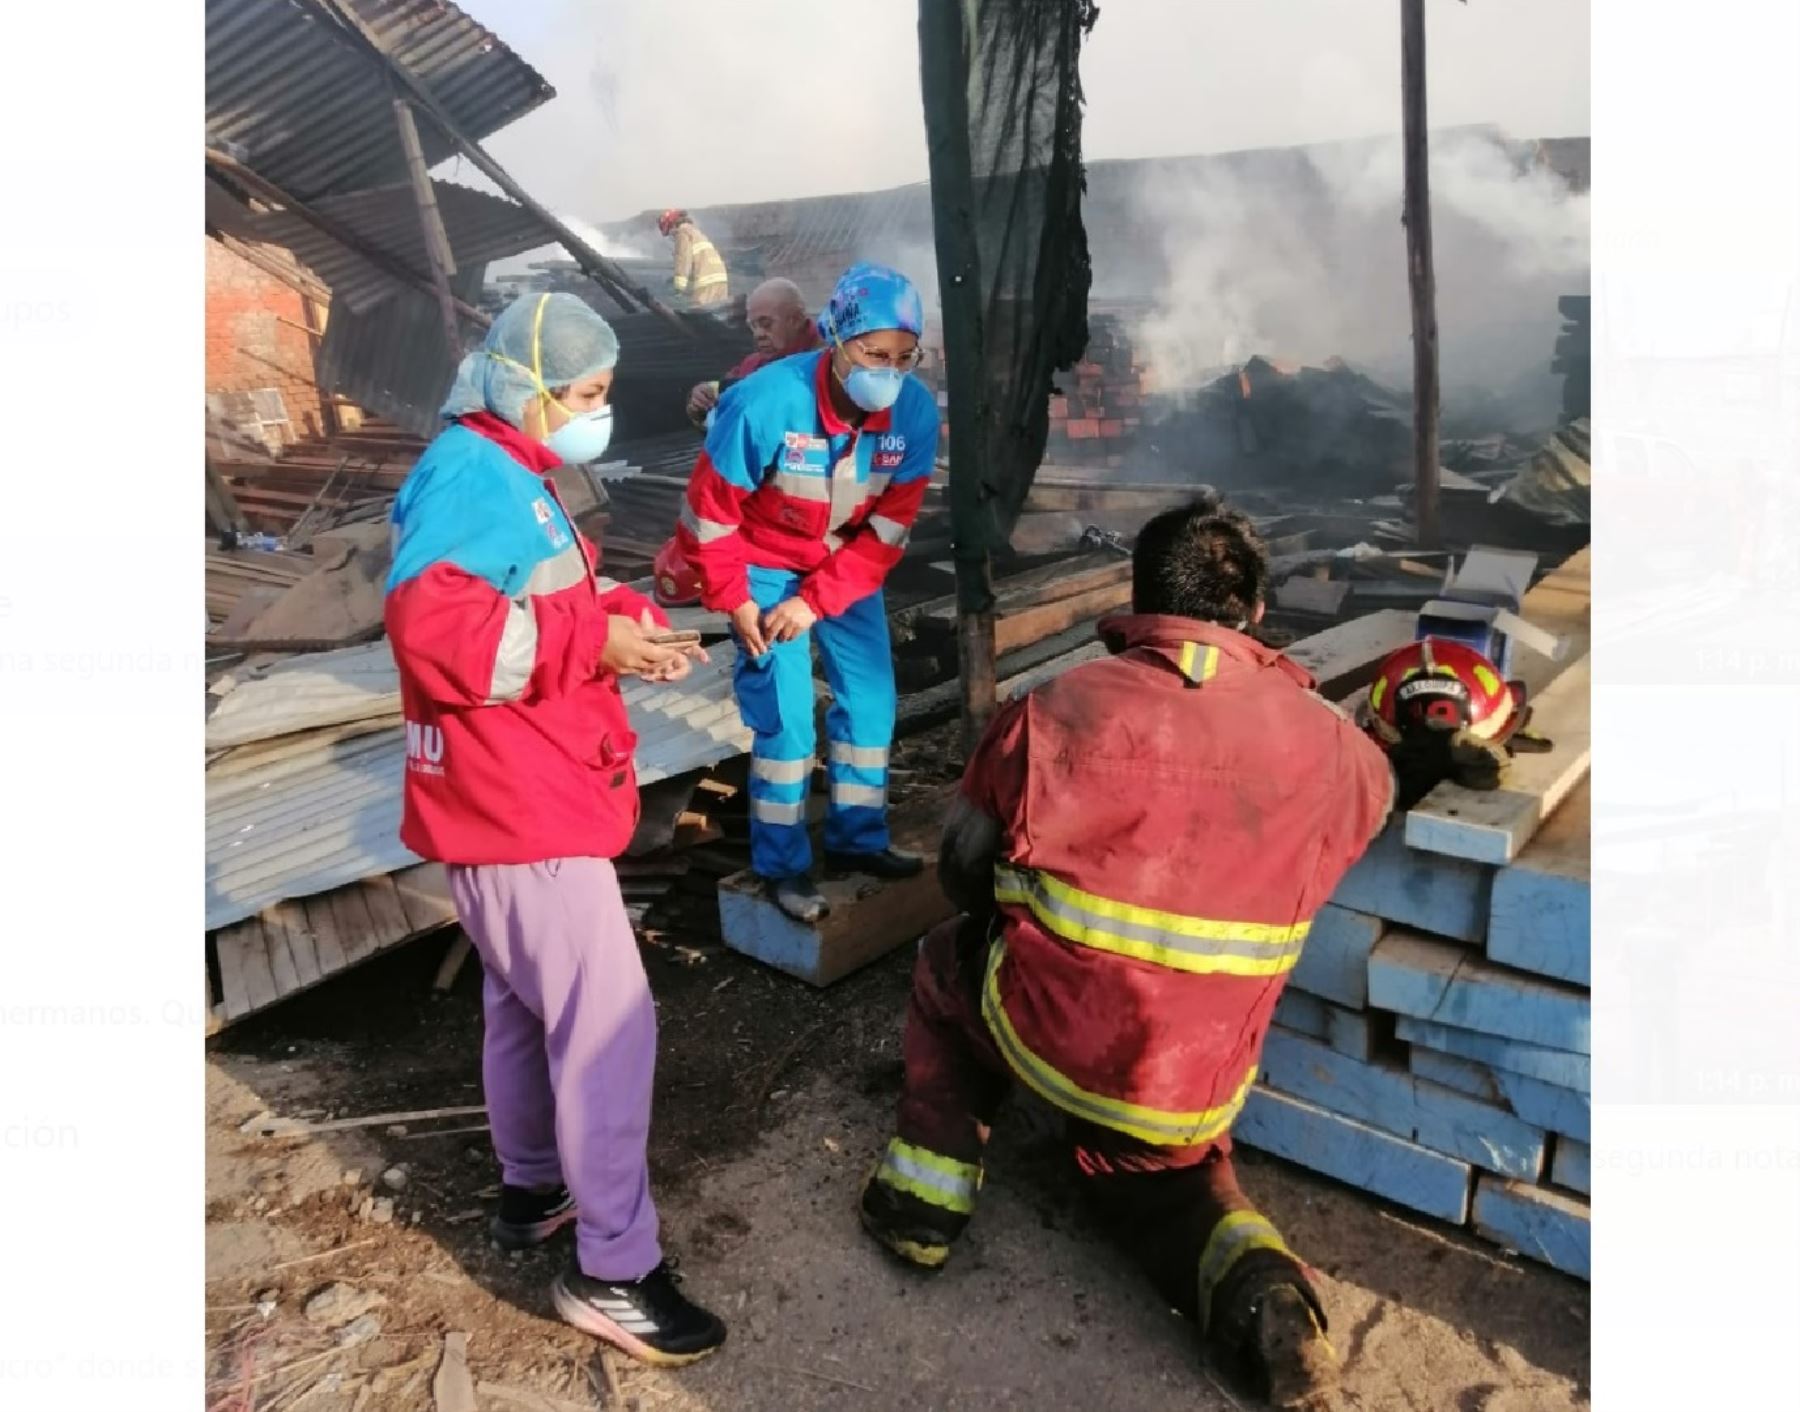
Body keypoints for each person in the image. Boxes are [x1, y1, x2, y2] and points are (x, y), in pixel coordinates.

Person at [859, 496, 1396, 1410]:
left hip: (1038, 1032)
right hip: (1185, 1084)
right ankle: (1259, 1286)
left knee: (948, 962)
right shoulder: (1340, 754)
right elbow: (1366, 812)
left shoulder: (1051, 710)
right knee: (1162, 1179)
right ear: (1258, 612)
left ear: (1139, 596)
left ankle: (922, 1207)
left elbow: (961, 871)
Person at [383, 292, 727, 1368]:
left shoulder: (504, 467)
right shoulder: (473, 476)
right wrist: (595, 641)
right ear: (527, 387)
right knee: (609, 1024)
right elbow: (437, 636)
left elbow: (543, 597)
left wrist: (626, 623)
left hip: (507, 800)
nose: (597, 413)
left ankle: (534, 1189)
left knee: (526, 1008)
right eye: (583, 395)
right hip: (521, 803)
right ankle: (615, 1267)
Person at [674, 262, 939, 922]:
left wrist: (817, 600)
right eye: (875, 354)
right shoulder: (764, 402)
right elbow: (710, 517)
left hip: (845, 567)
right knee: (788, 723)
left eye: (906, 357)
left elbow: (886, 531)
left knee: (872, 706)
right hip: (761, 566)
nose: (890, 369)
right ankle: (782, 868)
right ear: (836, 340)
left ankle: (857, 841)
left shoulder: (914, 413)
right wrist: (736, 600)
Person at [685, 277, 822, 427]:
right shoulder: (751, 365)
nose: (758, 334)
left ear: (796, 319)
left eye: (766, 324)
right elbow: (719, 404)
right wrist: (700, 403)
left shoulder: (830, 362)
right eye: (753, 326)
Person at [658, 208, 729, 308]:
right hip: (721, 280)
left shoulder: (682, 233)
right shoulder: (696, 233)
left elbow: (683, 260)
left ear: (672, 225)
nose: (672, 235)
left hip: (706, 283)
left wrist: (679, 288)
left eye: (670, 231)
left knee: (699, 313)